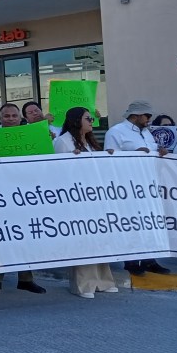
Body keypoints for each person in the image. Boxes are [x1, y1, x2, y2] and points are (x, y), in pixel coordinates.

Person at [53, 108, 119, 299]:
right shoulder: (63, 141)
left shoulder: (90, 141)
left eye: (91, 118)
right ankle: (83, 284)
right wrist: (72, 160)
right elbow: (58, 172)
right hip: (76, 198)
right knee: (84, 241)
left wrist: (107, 156)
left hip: (95, 197)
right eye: (88, 118)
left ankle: (104, 281)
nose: (92, 121)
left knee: (100, 239)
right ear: (76, 121)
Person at [104, 100, 170, 275]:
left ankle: (149, 259)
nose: (149, 119)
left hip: (149, 185)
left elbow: (152, 151)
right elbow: (109, 160)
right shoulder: (116, 132)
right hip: (128, 187)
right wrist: (133, 155)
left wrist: (160, 151)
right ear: (135, 115)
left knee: (149, 223)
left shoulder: (146, 133)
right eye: (147, 115)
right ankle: (131, 261)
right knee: (131, 223)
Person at [0, 104, 46, 295]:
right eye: (7, 116)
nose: (11, 119)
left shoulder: (32, 134)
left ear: (20, 117)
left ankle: (26, 279)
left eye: (14, 115)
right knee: (1, 236)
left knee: (27, 236)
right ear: (0, 118)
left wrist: (48, 140)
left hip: (27, 193)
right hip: (0, 194)